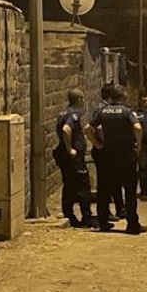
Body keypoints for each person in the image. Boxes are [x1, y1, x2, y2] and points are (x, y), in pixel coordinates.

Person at [86, 85, 146, 234]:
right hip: (125, 155)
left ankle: (103, 222)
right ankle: (132, 224)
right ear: (123, 96)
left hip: (107, 155)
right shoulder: (127, 112)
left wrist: (97, 144)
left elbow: (88, 128)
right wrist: (138, 144)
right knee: (130, 190)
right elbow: (138, 128)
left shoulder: (102, 111)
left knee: (104, 189)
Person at [53, 88, 93, 227]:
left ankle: (69, 214)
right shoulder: (74, 114)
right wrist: (70, 149)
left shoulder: (62, 113)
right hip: (74, 159)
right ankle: (86, 218)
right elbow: (66, 129)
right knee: (83, 186)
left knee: (69, 185)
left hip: (64, 157)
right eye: (82, 99)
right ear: (79, 100)